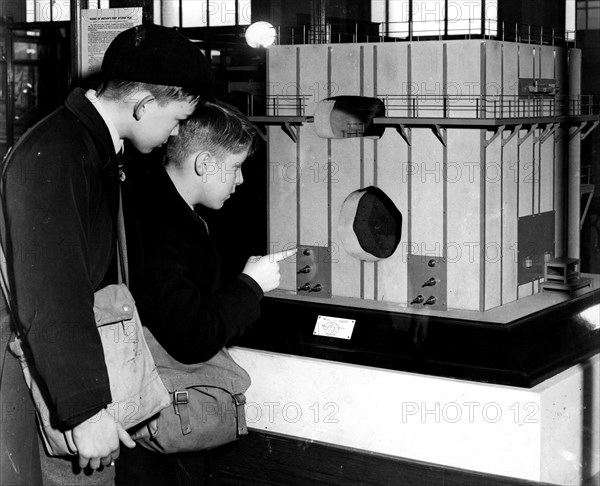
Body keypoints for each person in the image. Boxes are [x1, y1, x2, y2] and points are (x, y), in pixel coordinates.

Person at [0, 24, 214, 486]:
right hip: (58, 391)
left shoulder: (87, 145)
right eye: (177, 119)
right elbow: (52, 294)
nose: (176, 133)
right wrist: (85, 410)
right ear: (143, 105)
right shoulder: (59, 153)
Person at [118, 102, 295, 485]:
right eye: (235, 166)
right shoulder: (163, 227)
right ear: (203, 164)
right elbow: (191, 336)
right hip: (160, 432)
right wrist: (250, 286)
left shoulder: (157, 206)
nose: (242, 180)